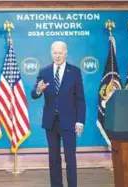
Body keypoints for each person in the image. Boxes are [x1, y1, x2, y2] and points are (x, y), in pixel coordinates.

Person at [31, 41, 86, 187]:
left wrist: (80, 121)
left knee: (70, 158)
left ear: (66, 53)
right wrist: (38, 90)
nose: (58, 56)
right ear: (51, 53)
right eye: (55, 53)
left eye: (60, 52)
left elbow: (80, 99)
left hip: (69, 122)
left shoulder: (74, 72)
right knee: (53, 159)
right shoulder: (44, 71)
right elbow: (34, 94)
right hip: (51, 122)